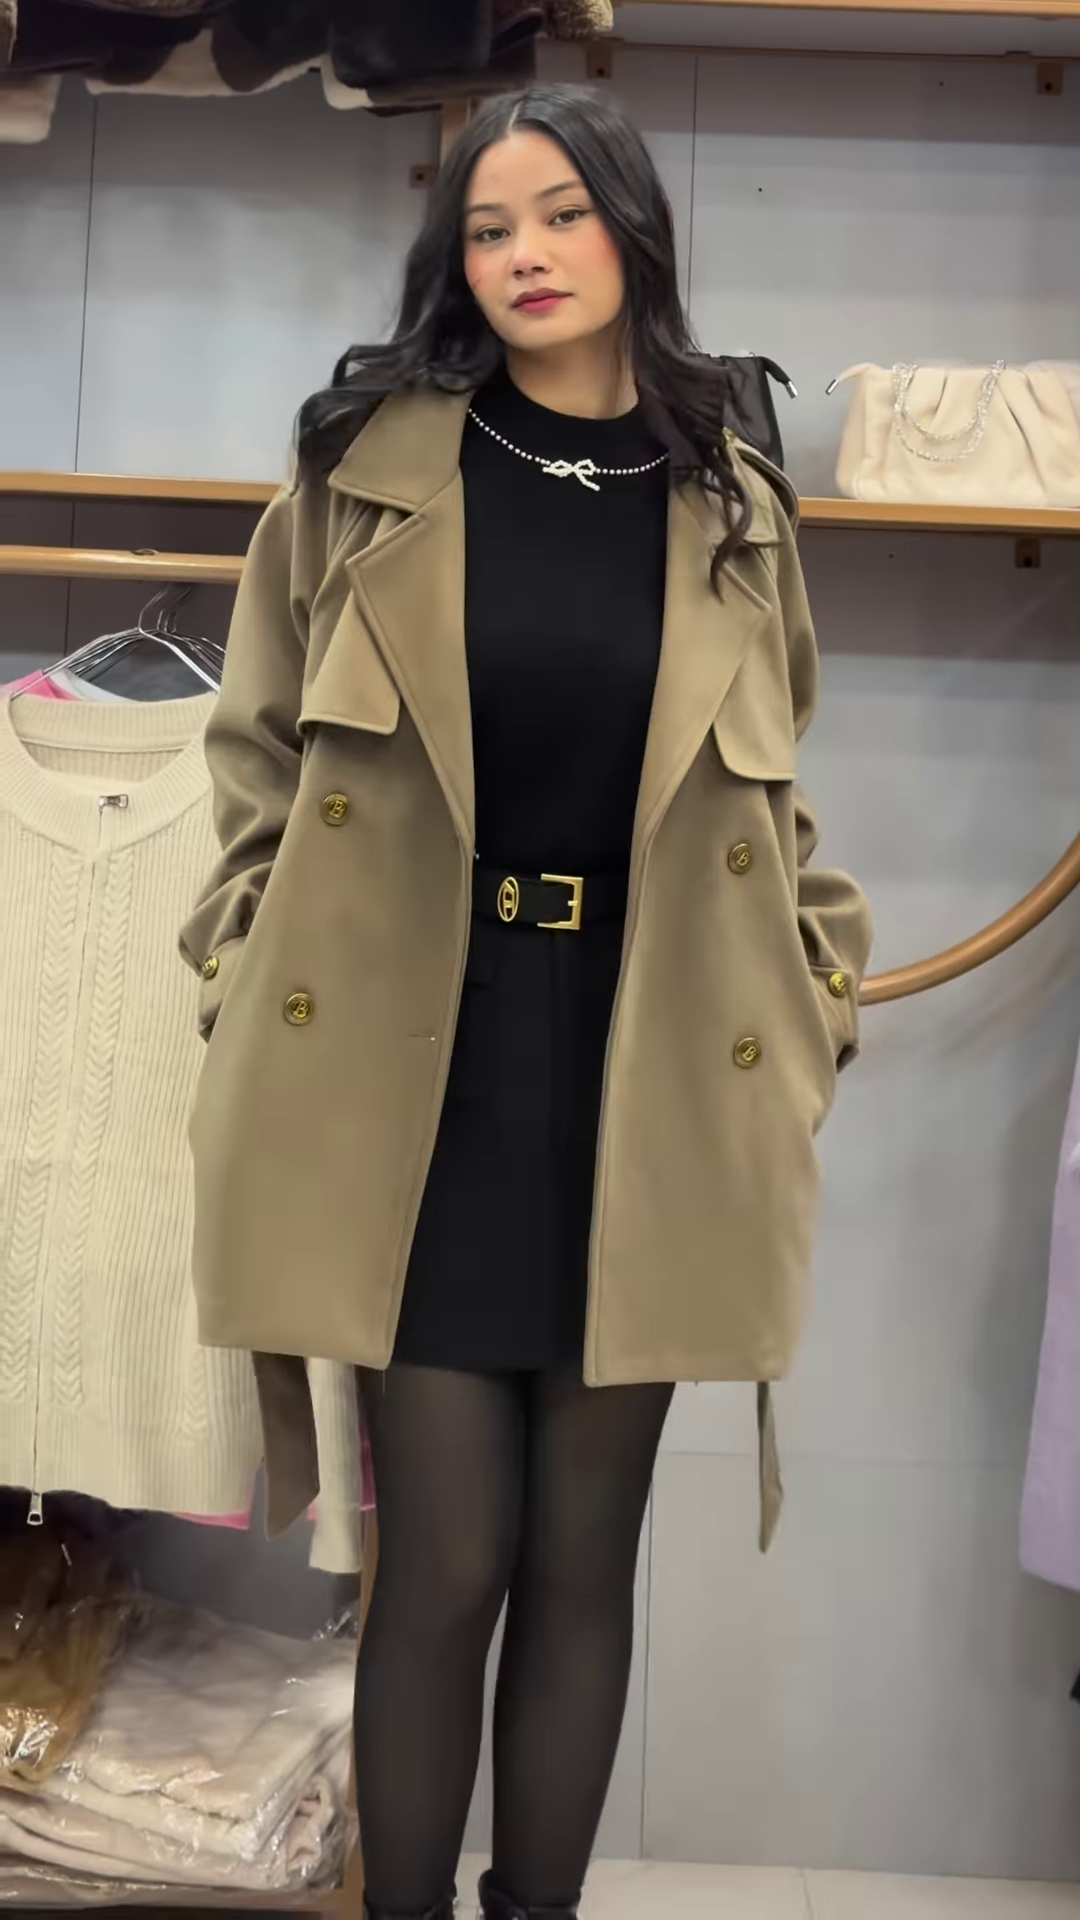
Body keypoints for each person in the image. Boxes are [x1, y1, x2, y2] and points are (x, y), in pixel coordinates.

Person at [180, 83, 872, 1920]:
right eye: (489, 229)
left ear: (633, 233)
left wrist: (816, 1002)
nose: (526, 256)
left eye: (561, 215)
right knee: (447, 1562)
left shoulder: (729, 497)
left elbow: (780, 795)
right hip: (419, 1064)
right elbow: (251, 751)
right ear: (455, 261)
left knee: (586, 1562)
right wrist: (242, 957)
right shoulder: (371, 468)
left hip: (653, 1068)